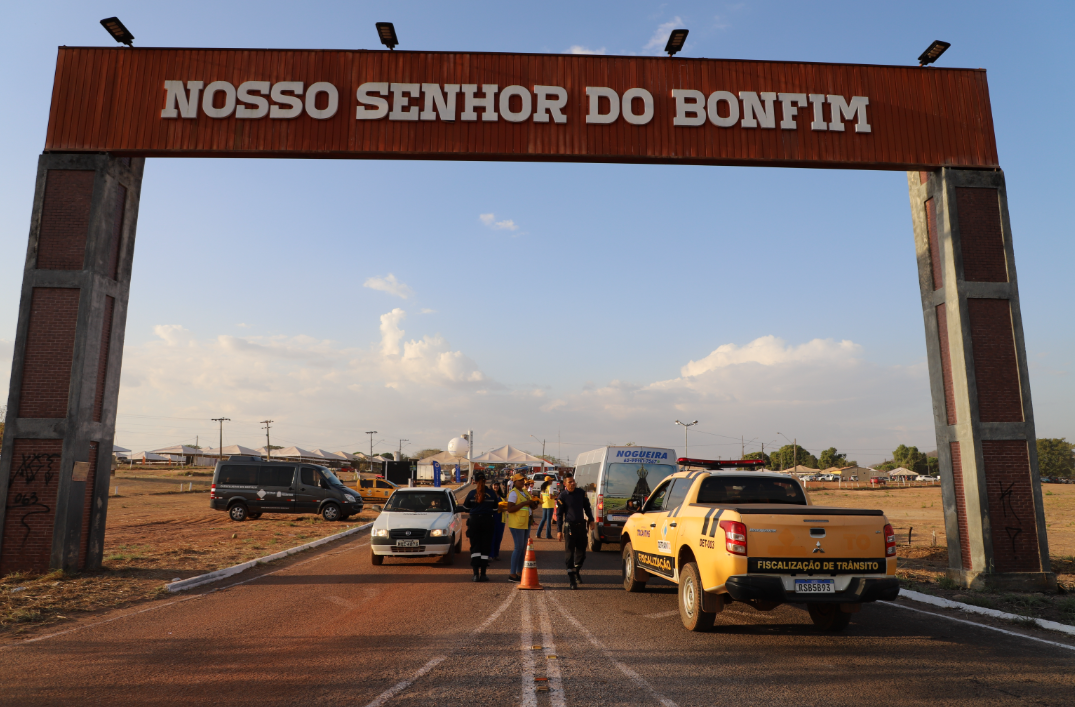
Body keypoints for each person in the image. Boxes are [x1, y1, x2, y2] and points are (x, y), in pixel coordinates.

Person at [556, 474, 596, 590]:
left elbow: (587, 507)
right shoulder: (562, 496)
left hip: (581, 527)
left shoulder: (581, 493)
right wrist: (559, 530)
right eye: (569, 482)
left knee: (582, 553)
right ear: (565, 484)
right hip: (569, 528)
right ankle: (572, 580)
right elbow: (559, 515)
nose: (572, 483)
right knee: (569, 554)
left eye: (573, 481)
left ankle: (576, 571)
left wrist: (591, 520)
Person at [462, 472, 501, 582]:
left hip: (474, 522)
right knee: (485, 547)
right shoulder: (492, 494)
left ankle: (475, 575)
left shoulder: (471, 493)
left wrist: (475, 510)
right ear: (486, 480)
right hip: (488, 522)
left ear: (474, 481)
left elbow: (465, 508)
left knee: (475, 548)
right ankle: (483, 574)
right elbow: (495, 510)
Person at [504, 472, 539, 582]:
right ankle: (512, 574)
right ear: (514, 482)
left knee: (522, 549)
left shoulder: (524, 492)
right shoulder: (513, 493)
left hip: (525, 522)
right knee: (518, 548)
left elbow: (530, 505)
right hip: (517, 523)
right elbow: (510, 509)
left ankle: (519, 572)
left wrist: (534, 504)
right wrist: (525, 503)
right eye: (520, 480)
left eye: (523, 480)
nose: (522, 482)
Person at [490, 480, 507, 561]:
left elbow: (507, 505)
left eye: (497, 485)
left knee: (499, 537)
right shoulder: (489, 495)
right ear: (491, 486)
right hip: (492, 518)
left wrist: (504, 508)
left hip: (501, 519)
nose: (496, 486)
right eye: (494, 485)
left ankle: (496, 554)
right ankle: (491, 555)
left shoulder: (502, 496)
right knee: (491, 537)